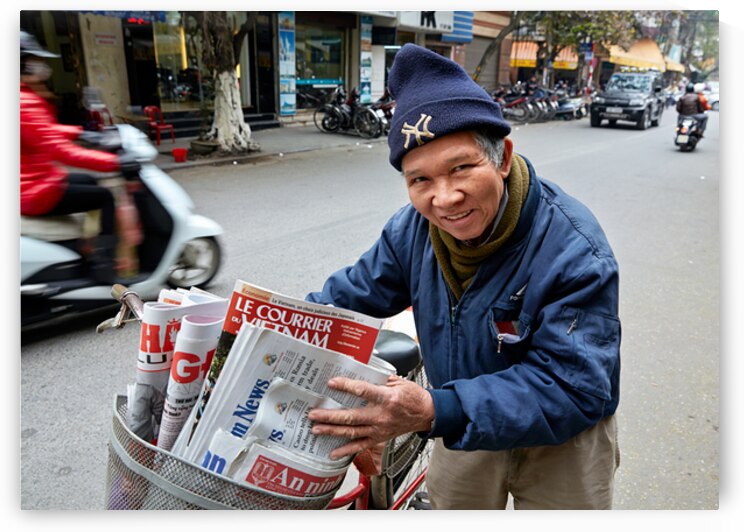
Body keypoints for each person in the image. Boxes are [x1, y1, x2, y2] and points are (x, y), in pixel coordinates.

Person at [306, 44, 621, 510]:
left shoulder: (574, 248)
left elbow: (574, 388)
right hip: (463, 426)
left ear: (502, 157)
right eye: (420, 181)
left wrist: (435, 409)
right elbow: (345, 300)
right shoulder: (411, 230)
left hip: (562, 439)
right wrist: (255, 331)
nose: (445, 198)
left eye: (461, 168)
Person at [20, 30, 138, 283]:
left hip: (32, 181)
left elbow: (42, 131)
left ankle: (86, 243)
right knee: (106, 196)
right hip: (35, 190)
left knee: (88, 182)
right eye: (33, 60)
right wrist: (115, 162)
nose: (40, 66)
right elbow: (59, 151)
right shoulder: (25, 101)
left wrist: (82, 132)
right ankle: (103, 263)